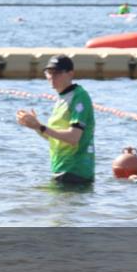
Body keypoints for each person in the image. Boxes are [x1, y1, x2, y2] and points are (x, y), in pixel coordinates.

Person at [16, 55, 96, 185]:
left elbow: (73, 137)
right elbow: (54, 137)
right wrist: (35, 126)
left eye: (57, 73)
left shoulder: (79, 96)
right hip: (60, 169)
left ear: (71, 74)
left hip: (75, 172)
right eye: (49, 72)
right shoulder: (61, 99)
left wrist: (41, 126)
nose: (52, 76)